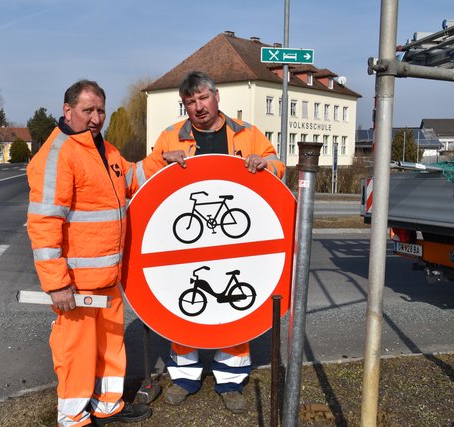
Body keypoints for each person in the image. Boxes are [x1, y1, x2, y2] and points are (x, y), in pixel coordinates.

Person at [26, 79, 182, 426]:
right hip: (77, 283)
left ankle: (107, 405)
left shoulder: (105, 150)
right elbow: (44, 223)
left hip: (109, 277)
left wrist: (161, 159)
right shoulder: (58, 154)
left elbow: (131, 176)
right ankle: (72, 415)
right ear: (67, 111)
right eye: (88, 110)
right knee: (76, 351)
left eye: (100, 110)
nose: (96, 117)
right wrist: (57, 284)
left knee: (111, 345)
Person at [140, 71, 285, 413]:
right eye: (190, 102)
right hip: (184, 244)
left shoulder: (247, 134)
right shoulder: (170, 136)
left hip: (238, 240)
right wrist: (162, 160)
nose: (198, 107)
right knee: (184, 305)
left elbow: (278, 166)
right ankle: (185, 378)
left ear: (216, 97)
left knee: (234, 309)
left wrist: (265, 164)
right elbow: (144, 178)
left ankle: (231, 381)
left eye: (203, 98)